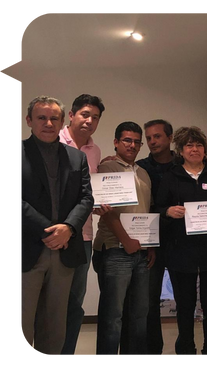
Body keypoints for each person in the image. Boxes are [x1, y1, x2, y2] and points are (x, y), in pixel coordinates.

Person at [19, 96, 94, 357]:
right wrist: (48, 231)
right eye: (41, 117)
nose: (48, 123)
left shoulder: (76, 158)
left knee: (54, 329)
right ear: (29, 120)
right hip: (27, 251)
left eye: (54, 118)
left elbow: (86, 198)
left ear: (63, 121)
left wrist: (69, 228)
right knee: (22, 324)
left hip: (64, 251)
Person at [155, 126, 207, 357]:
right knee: (185, 306)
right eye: (189, 145)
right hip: (181, 252)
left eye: (198, 145)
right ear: (180, 149)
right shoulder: (170, 177)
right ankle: (186, 349)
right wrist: (168, 211)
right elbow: (157, 209)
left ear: (205, 149)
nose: (194, 149)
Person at [92, 121, 154, 358]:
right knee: (112, 317)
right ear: (116, 142)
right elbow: (107, 212)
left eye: (137, 141)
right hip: (114, 250)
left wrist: (149, 245)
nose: (133, 145)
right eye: (127, 140)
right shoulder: (106, 168)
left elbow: (145, 211)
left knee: (138, 316)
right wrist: (126, 240)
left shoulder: (143, 173)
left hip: (141, 252)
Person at [58, 94, 105, 358]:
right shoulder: (54, 142)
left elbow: (92, 194)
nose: (89, 121)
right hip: (53, 234)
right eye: (85, 114)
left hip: (84, 236)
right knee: (49, 301)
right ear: (72, 115)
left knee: (75, 303)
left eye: (95, 117)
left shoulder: (94, 151)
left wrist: (101, 203)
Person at [135, 119, 175, 357]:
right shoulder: (139, 167)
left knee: (187, 300)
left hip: (181, 241)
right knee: (149, 302)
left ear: (169, 138)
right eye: (148, 138)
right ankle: (153, 352)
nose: (152, 142)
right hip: (150, 241)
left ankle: (186, 349)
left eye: (157, 136)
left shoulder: (183, 164)